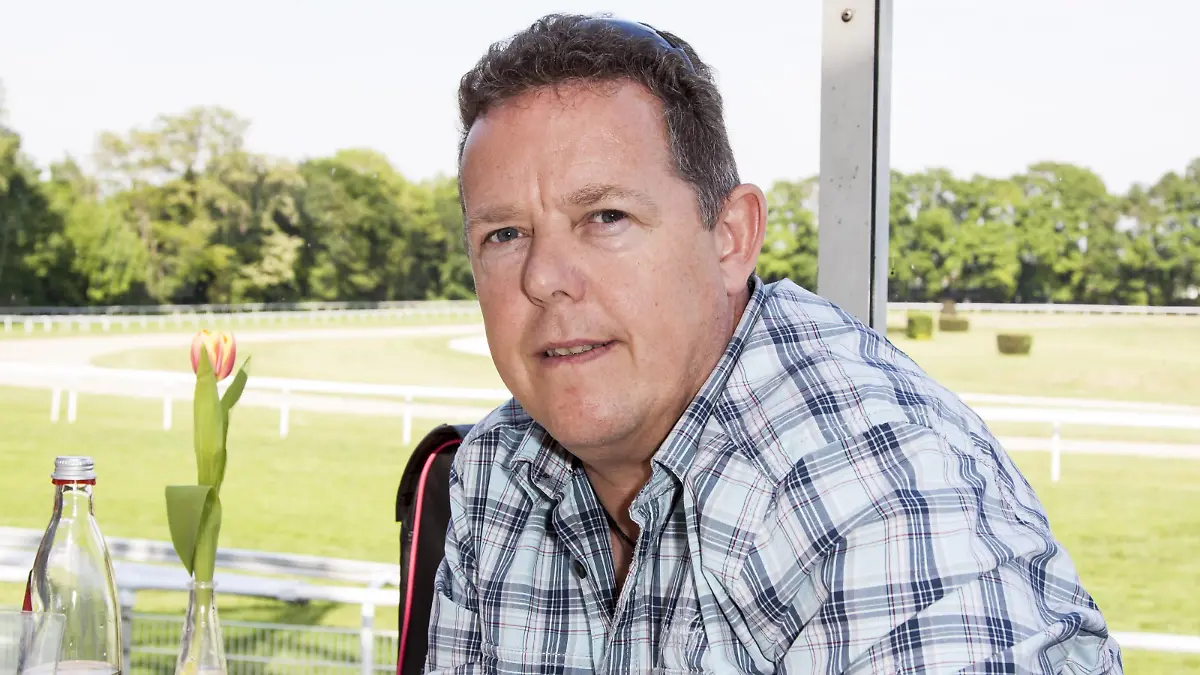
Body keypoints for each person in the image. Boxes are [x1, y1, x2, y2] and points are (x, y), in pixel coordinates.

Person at [425, 12, 1123, 674]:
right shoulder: (496, 470)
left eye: (605, 216)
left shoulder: (875, 501)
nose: (544, 277)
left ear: (731, 238)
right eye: (504, 235)